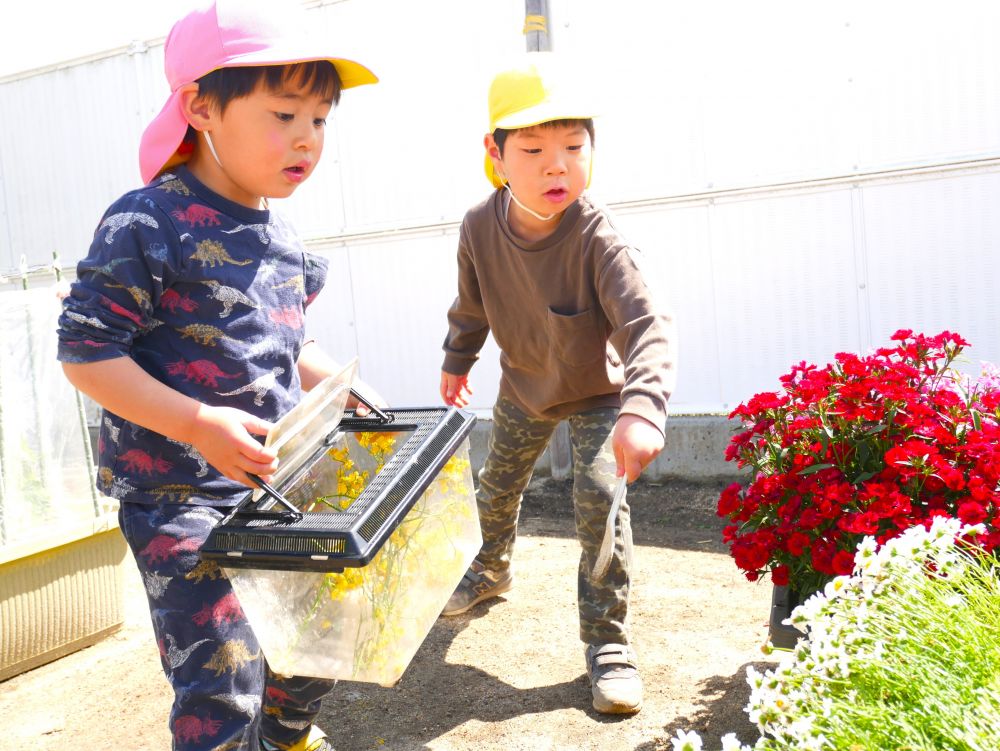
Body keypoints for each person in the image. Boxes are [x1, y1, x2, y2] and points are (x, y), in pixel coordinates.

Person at [57, 2, 379, 749]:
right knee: (222, 679)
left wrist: (336, 380)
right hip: (178, 494)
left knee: (325, 630)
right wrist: (195, 422)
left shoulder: (281, 233)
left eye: (321, 119)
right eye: (283, 113)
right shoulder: (146, 222)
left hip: (274, 481)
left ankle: (289, 731)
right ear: (202, 107)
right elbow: (85, 350)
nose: (307, 138)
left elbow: (276, 335)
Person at [438, 53, 676, 715]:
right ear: (495, 152)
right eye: (535, 148)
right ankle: (490, 570)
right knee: (497, 484)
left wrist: (644, 406)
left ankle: (608, 644)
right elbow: (473, 303)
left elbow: (647, 322)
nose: (557, 164)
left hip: (600, 393)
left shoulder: (600, 237)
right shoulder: (478, 228)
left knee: (600, 503)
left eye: (574, 146)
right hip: (522, 384)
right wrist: (459, 356)